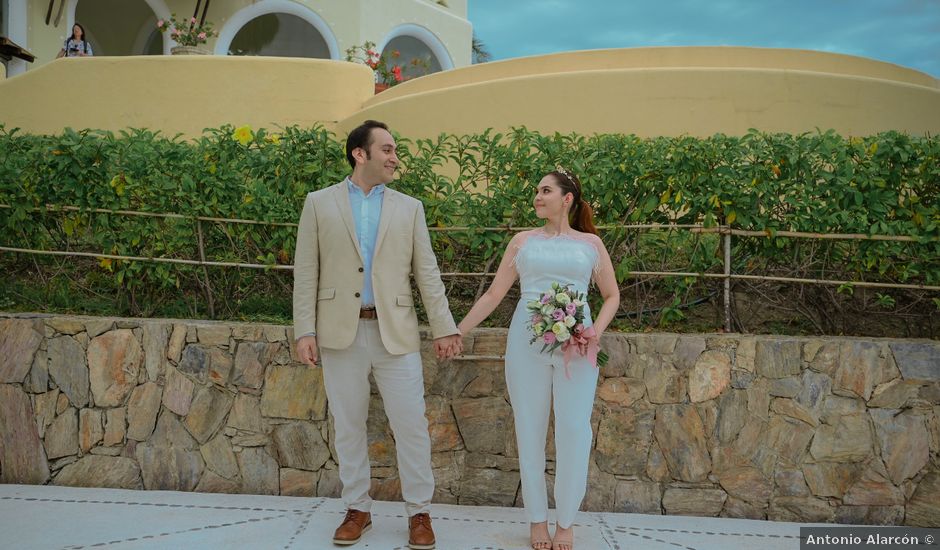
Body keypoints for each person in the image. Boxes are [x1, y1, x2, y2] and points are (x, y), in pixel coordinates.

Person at [293, 119, 463, 549]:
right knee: (348, 425)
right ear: (359, 153)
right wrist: (304, 331)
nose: (394, 157)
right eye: (386, 149)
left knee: (411, 426)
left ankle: (419, 513)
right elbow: (306, 273)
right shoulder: (318, 203)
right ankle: (357, 509)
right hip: (338, 334)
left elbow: (427, 273)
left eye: (394, 150)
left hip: (396, 333)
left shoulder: (410, 207)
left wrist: (444, 327)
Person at [456, 169, 619, 550]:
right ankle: (536, 519)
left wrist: (594, 331)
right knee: (528, 426)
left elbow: (611, 295)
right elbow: (494, 295)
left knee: (574, 430)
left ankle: (566, 520)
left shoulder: (591, 244)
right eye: (536, 192)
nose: (537, 197)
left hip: (577, 345)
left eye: (545, 191)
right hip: (526, 342)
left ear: (567, 199)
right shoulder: (521, 242)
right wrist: (457, 330)